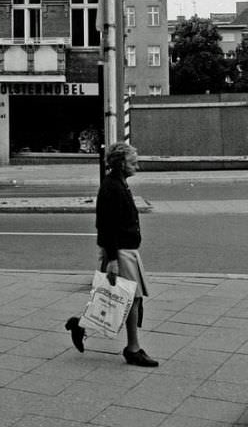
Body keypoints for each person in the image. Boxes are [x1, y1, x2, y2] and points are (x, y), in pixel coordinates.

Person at [65, 141, 158, 367]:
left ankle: (81, 325)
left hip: (126, 250)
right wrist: (113, 260)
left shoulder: (119, 183)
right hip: (121, 252)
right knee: (131, 299)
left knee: (114, 298)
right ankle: (133, 349)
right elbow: (105, 226)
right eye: (133, 162)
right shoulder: (111, 187)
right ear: (120, 163)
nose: (137, 166)